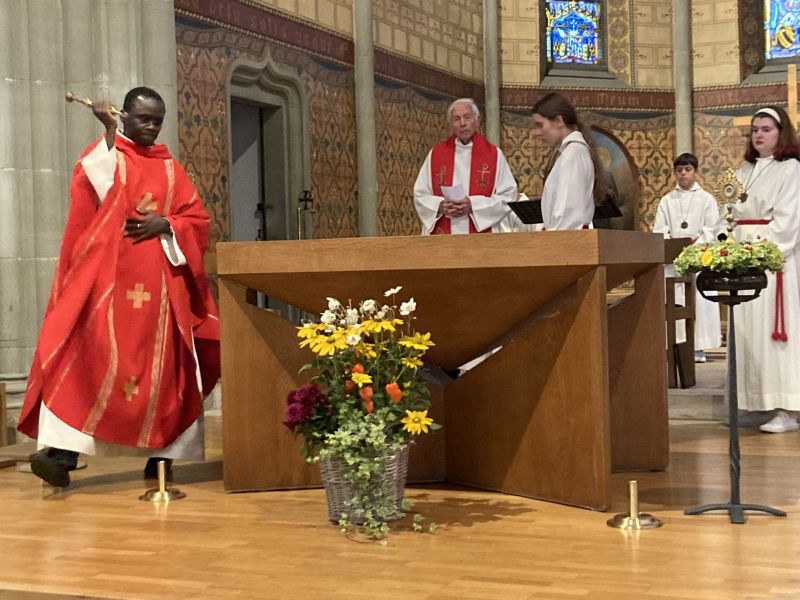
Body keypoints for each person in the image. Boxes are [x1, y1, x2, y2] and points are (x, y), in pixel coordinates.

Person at [17, 87, 221, 486]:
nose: (151, 126)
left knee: (168, 370)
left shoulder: (169, 169)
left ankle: (164, 458)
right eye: (143, 118)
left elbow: (196, 219)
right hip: (108, 287)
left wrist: (169, 224)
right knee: (82, 359)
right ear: (124, 115)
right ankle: (60, 456)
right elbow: (96, 185)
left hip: (162, 294)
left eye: (157, 120)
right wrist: (109, 132)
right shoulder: (109, 156)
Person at [722, 106, 800, 433]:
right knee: (747, 334)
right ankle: (755, 403)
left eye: (766, 129)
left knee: (774, 335)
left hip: (774, 262)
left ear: (781, 133)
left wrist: (749, 244)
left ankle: (787, 409)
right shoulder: (742, 172)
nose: (758, 134)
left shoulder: (790, 169)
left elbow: (787, 223)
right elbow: (727, 214)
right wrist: (721, 243)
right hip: (743, 260)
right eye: (755, 129)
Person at [653, 153, 722, 362]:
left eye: (688, 170)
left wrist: (694, 245)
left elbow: (712, 229)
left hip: (698, 261)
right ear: (675, 173)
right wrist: (673, 242)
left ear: (695, 171)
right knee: (676, 303)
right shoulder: (667, 200)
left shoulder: (706, 199)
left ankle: (698, 347)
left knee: (698, 303)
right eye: (679, 170)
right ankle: (675, 346)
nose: (683, 174)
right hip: (674, 261)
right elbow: (660, 229)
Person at [414, 98, 516, 234]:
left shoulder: (494, 155)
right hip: (443, 233)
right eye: (456, 119)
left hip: (481, 235)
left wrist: (473, 205)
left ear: (477, 120)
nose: (463, 123)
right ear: (450, 125)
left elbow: (508, 196)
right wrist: (440, 205)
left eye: (467, 117)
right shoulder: (436, 154)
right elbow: (420, 194)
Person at [531, 92, 608, 230]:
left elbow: (567, 215)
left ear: (559, 121)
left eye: (540, 125)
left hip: (567, 242)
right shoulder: (572, 152)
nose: (535, 132)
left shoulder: (572, 155)